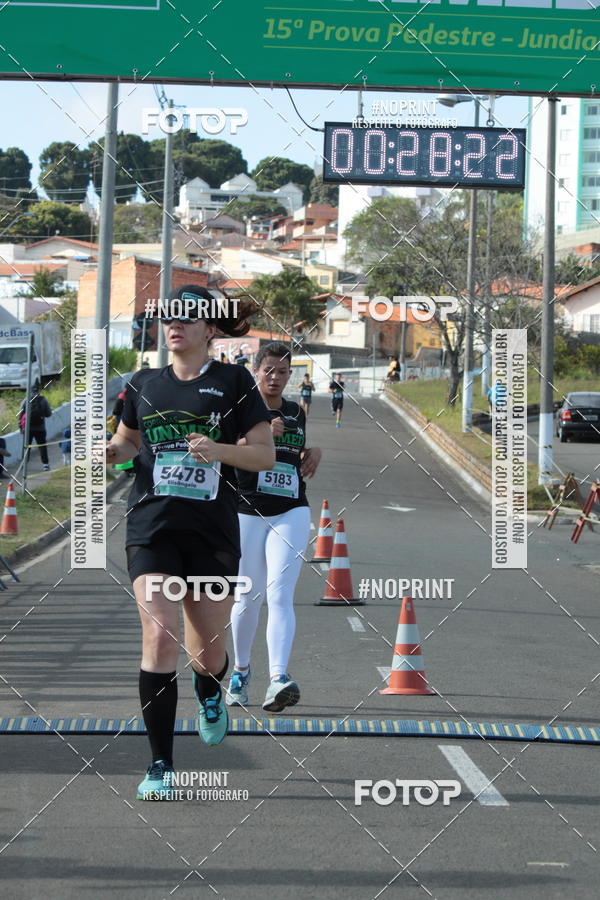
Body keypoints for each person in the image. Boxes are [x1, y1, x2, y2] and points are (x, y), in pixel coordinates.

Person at [106, 284, 275, 800]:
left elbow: (264, 456)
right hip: (151, 527)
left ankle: (209, 689)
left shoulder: (235, 382)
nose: (173, 327)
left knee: (207, 651)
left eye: (186, 319)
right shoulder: (143, 384)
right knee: (160, 633)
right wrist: (107, 452)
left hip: (212, 533)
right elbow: (128, 440)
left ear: (210, 328)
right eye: (168, 318)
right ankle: (160, 765)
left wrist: (219, 450)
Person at [227, 342, 322, 712]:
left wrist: (313, 452)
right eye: (269, 370)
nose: (276, 378)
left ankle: (278, 677)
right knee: (247, 595)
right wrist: (262, 433)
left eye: (283, 371)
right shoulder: (239, 410)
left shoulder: (297, 411)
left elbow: (295, 451)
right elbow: (223, 448)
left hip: (291, 510)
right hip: (246, 510)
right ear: (256, 371)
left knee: (280, 593)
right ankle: (240, 671)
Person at [18, 392, 52, 470]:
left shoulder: (26, 400)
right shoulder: (43, 400)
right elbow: (49, 414)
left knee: (26, 447)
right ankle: (45, 465)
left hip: (28, 428)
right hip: (40, 428)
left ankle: (24, 465)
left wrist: (20, 427)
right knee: (42, 446)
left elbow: (20, 415)